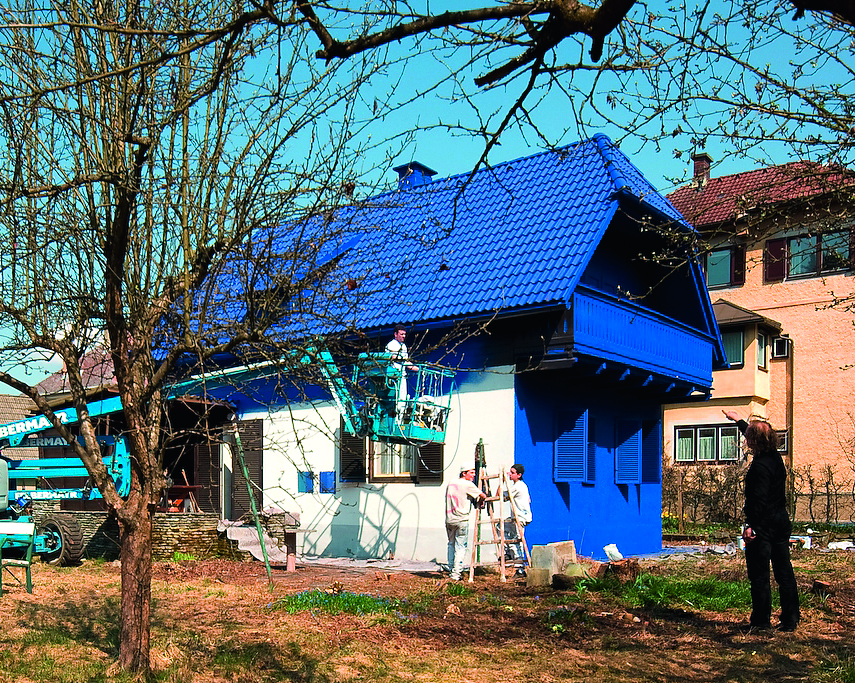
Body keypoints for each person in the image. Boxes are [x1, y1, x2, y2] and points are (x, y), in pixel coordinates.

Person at [723, 410, 800, 632]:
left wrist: (751, 527)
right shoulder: (775, 458)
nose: (746, 440)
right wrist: (738, 420)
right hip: (780, 523)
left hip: (763, 527)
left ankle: (760, 622)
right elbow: (756, 433)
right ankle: (790, 619)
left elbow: (757, 501)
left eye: (748, 437)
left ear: (753, 442)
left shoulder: (759, 468)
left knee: (759, 575)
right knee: (784, 572)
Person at [445, 465, 487, 580]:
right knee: (461, 547)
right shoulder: (468, 484)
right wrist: (481, 502)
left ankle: (450, 568)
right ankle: (456, 573)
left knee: (451, 544)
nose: (474, 475)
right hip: (461, 519)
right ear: (464, 473)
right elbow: (482, 495)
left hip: (450, 519)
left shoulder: (451, 483)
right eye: (471, 472)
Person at [501, 463, 532, 577]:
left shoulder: (518, 486)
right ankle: (508, 552)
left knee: (516, 541)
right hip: (517, 517)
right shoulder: (519, 485)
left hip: (520, 517)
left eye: (512, 473)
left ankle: (520, 569)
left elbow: (502, 496)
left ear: (519, 475)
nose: (510, 474)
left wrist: (502, 481)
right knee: (501, 527)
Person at [385, 324, 418, 416]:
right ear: (395, 334)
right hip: (394, 377)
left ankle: (400, 419)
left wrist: (419, 369)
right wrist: (405, 362)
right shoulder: (391, 345)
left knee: (403, 400)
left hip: (402, 376)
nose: (403, 336)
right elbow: (394, 358)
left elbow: (406, 362)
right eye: (401, 334)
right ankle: (395, 421)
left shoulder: (403, 346)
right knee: (396, 401)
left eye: (404, 334)